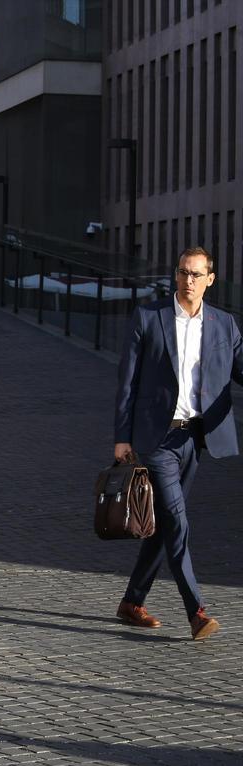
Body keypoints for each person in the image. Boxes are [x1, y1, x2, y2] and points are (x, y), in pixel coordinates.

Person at [113, 246, 241, 641]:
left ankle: (132, 601)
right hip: (157, 437)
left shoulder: (224, 324)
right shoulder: (149, 317)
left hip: (196, 437)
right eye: (183, 272)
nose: (189, 280)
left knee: (165, 523)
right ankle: (196, 611)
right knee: (178, 521)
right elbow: (128, 381)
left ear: (210, 279)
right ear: (176, 274)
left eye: (197, 274)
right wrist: (121, 437)